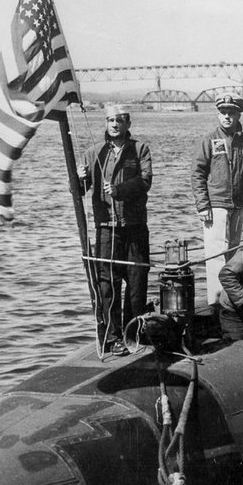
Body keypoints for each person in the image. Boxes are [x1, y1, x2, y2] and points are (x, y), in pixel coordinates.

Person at [77, 104, 153, 355]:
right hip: (106, 228)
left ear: (128, 123)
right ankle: (112, 336)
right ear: (106, 123)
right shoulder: (93, 152)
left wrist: (119, 190)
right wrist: (79, 179)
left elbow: (144, 182)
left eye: (119, 120)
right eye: (110, 120)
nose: (114, 124)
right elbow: (78, 192)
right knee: (108, 284)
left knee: (136, 282)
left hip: (135, 225)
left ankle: (134, 331)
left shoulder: (139, 149)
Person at [192, 93, 243, 308]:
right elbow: (197, 174)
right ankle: (215, 302)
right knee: (215, 255)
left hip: (238, 205)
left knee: (232, 253)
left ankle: (230, 298)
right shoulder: (208, 140)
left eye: (231, 112)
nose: (227, 117)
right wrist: (203, 205)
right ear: (217, 114)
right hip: (216, 207)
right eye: (223, 112)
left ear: (238, 114)